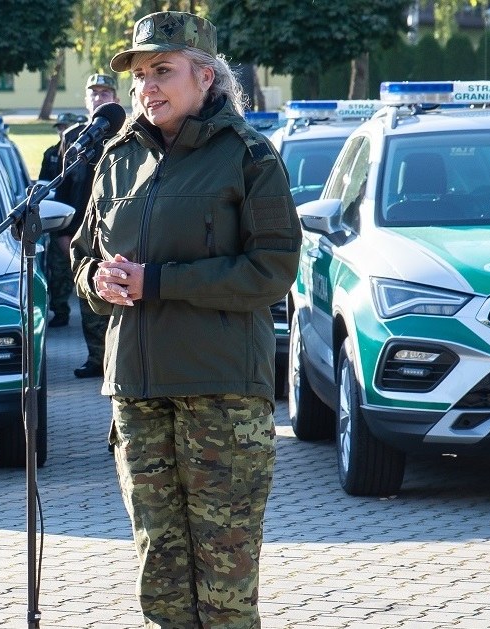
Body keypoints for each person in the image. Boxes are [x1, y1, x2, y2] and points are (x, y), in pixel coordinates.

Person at [70, 11, 300, 628]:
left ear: (206, 78)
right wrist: (96, 279)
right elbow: (83, 253)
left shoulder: (250, 156)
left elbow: (273, 269)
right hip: (138, 393)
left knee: (223, 584)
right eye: (140, 74)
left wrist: (158, 282)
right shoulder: (117, 158)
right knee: (160, 574)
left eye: (163, 71)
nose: (147, 87)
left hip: (219, 392)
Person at [62, 74, 120, 379]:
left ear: (116, 99)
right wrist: (63, 234)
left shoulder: (128, 134)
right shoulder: (74, 138)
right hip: (82, 233)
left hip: (117, 231)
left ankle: (116, 358)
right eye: (93, 93)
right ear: (86, 99)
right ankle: (96, 358)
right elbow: (64, 188)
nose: (99, 98)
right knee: (89, 299)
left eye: (105, 92)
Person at [39, 111, 86, 330]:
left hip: (83, 224)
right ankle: (60, 310)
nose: (62, 132)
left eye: (67, 128)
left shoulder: (90, 156)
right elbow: (46, 186)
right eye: (60, 128)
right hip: (60, 221)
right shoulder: (52, 154)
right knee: (58, 271)